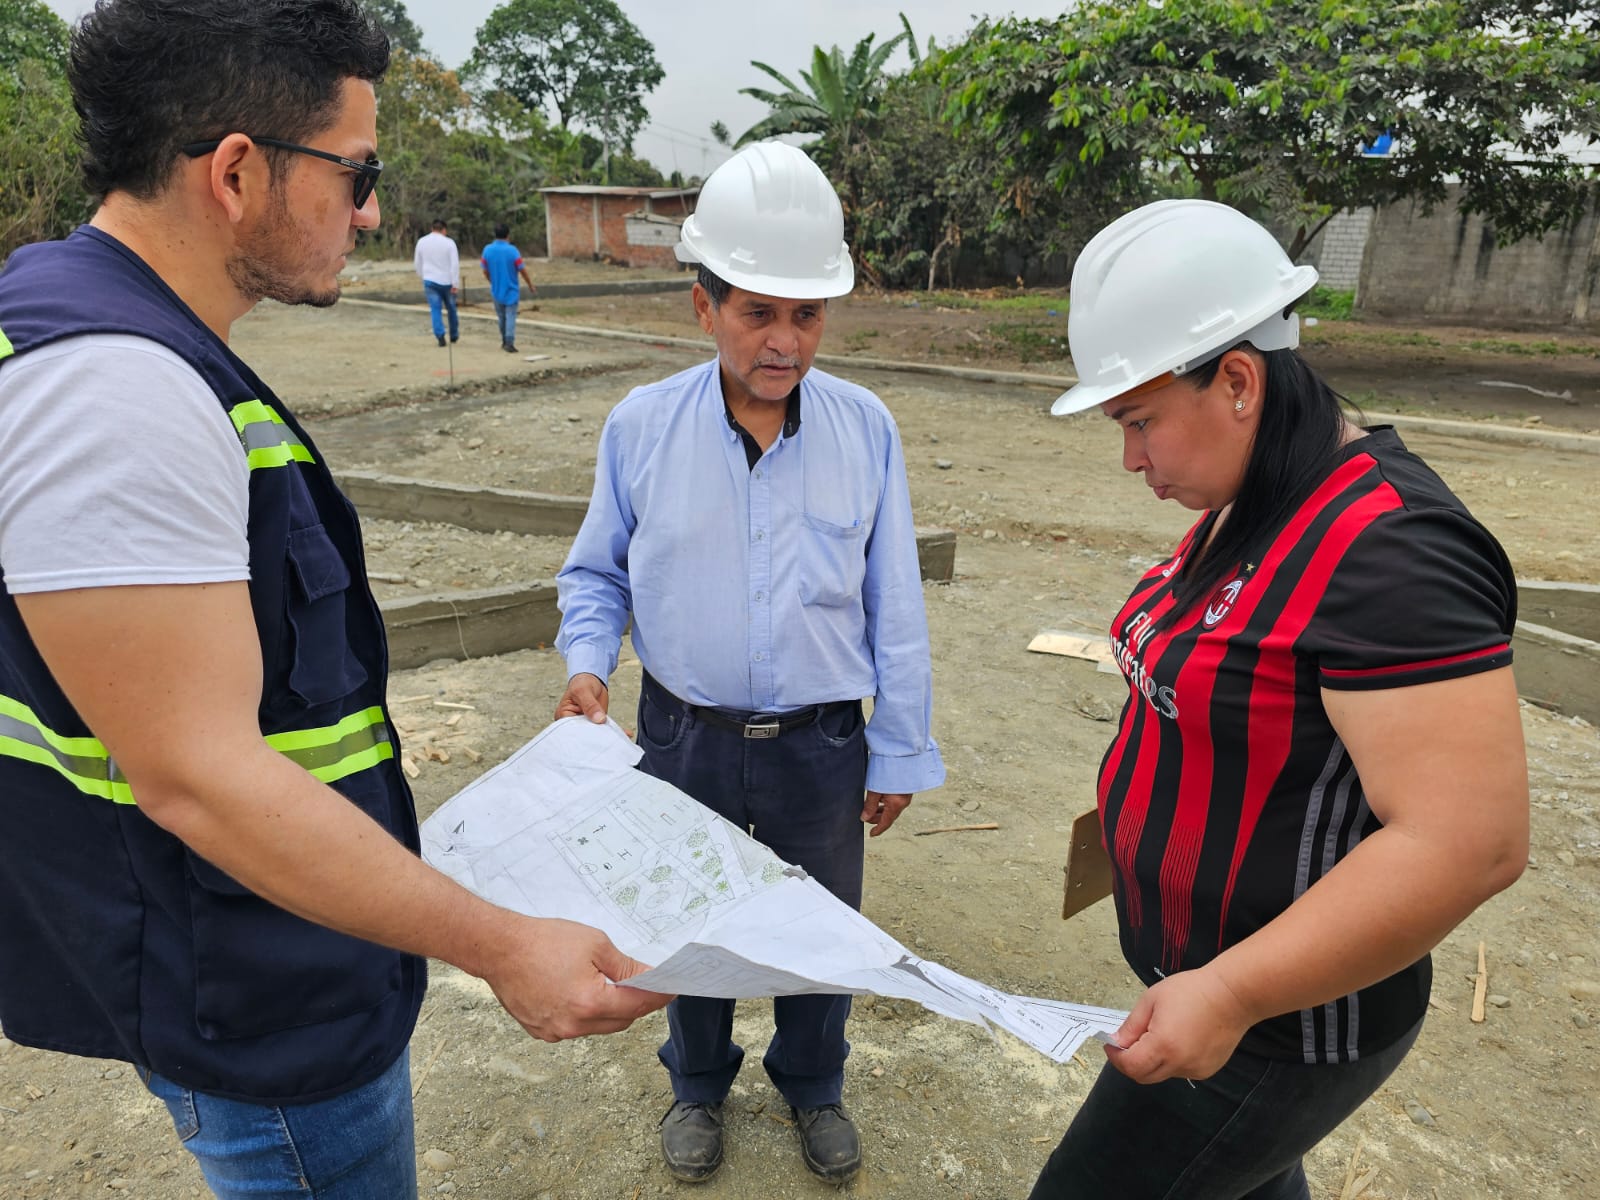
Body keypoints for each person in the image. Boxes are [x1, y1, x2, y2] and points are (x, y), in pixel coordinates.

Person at [0, 3, 666, 1197]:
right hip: (262, 995)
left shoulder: (117, 336)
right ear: (236, 173)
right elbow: (197, 776)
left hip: (270, 947)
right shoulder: (113, 393)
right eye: (356, 173)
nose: (367, 213)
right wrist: (504, 945)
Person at [1030, 199, 1529, 1199]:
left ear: (1239, 381)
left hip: (1276, 1028)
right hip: (1214, 993)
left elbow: (1469, 844)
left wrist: (1229, 991)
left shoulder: (1389, 552)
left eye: (1139, 422)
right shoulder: (1256, 497)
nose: (1132, 459)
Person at [553, 140, 945, 1186]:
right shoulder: (642, 429)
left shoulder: (865, 430)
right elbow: (595, 574)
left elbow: (894, 603)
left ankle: (814, 1083)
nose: (784, 341)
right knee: (687, 926)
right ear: (704, 306)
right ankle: (697, 1082)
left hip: (822, 746)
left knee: (821, 932)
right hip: (682, 736)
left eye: (806, 315)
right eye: (757, 312)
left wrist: (899, 747)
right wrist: (588, 665)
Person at [481, 221, 535, 353]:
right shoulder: (512, 250)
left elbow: (485, 270)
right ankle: (509, 342)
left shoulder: (487, 250)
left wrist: (492, 281)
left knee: (501, 317)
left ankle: (504, 340)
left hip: (496, 290)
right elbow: (522, 270)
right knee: (511, 315)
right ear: (508, 235)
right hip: (511, 290)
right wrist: (530, 284)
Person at [413, 217, 459, 346]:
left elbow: (417, 262)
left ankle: (440, 335)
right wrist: (455, 282)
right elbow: (454, 264)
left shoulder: (422, 241)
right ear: (444, 230)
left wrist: (423, 275)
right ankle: (454, 334)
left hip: (430, 280)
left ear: (432, 228)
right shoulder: (449, 243)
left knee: (435, 309)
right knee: (451, 309)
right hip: (447, 281)